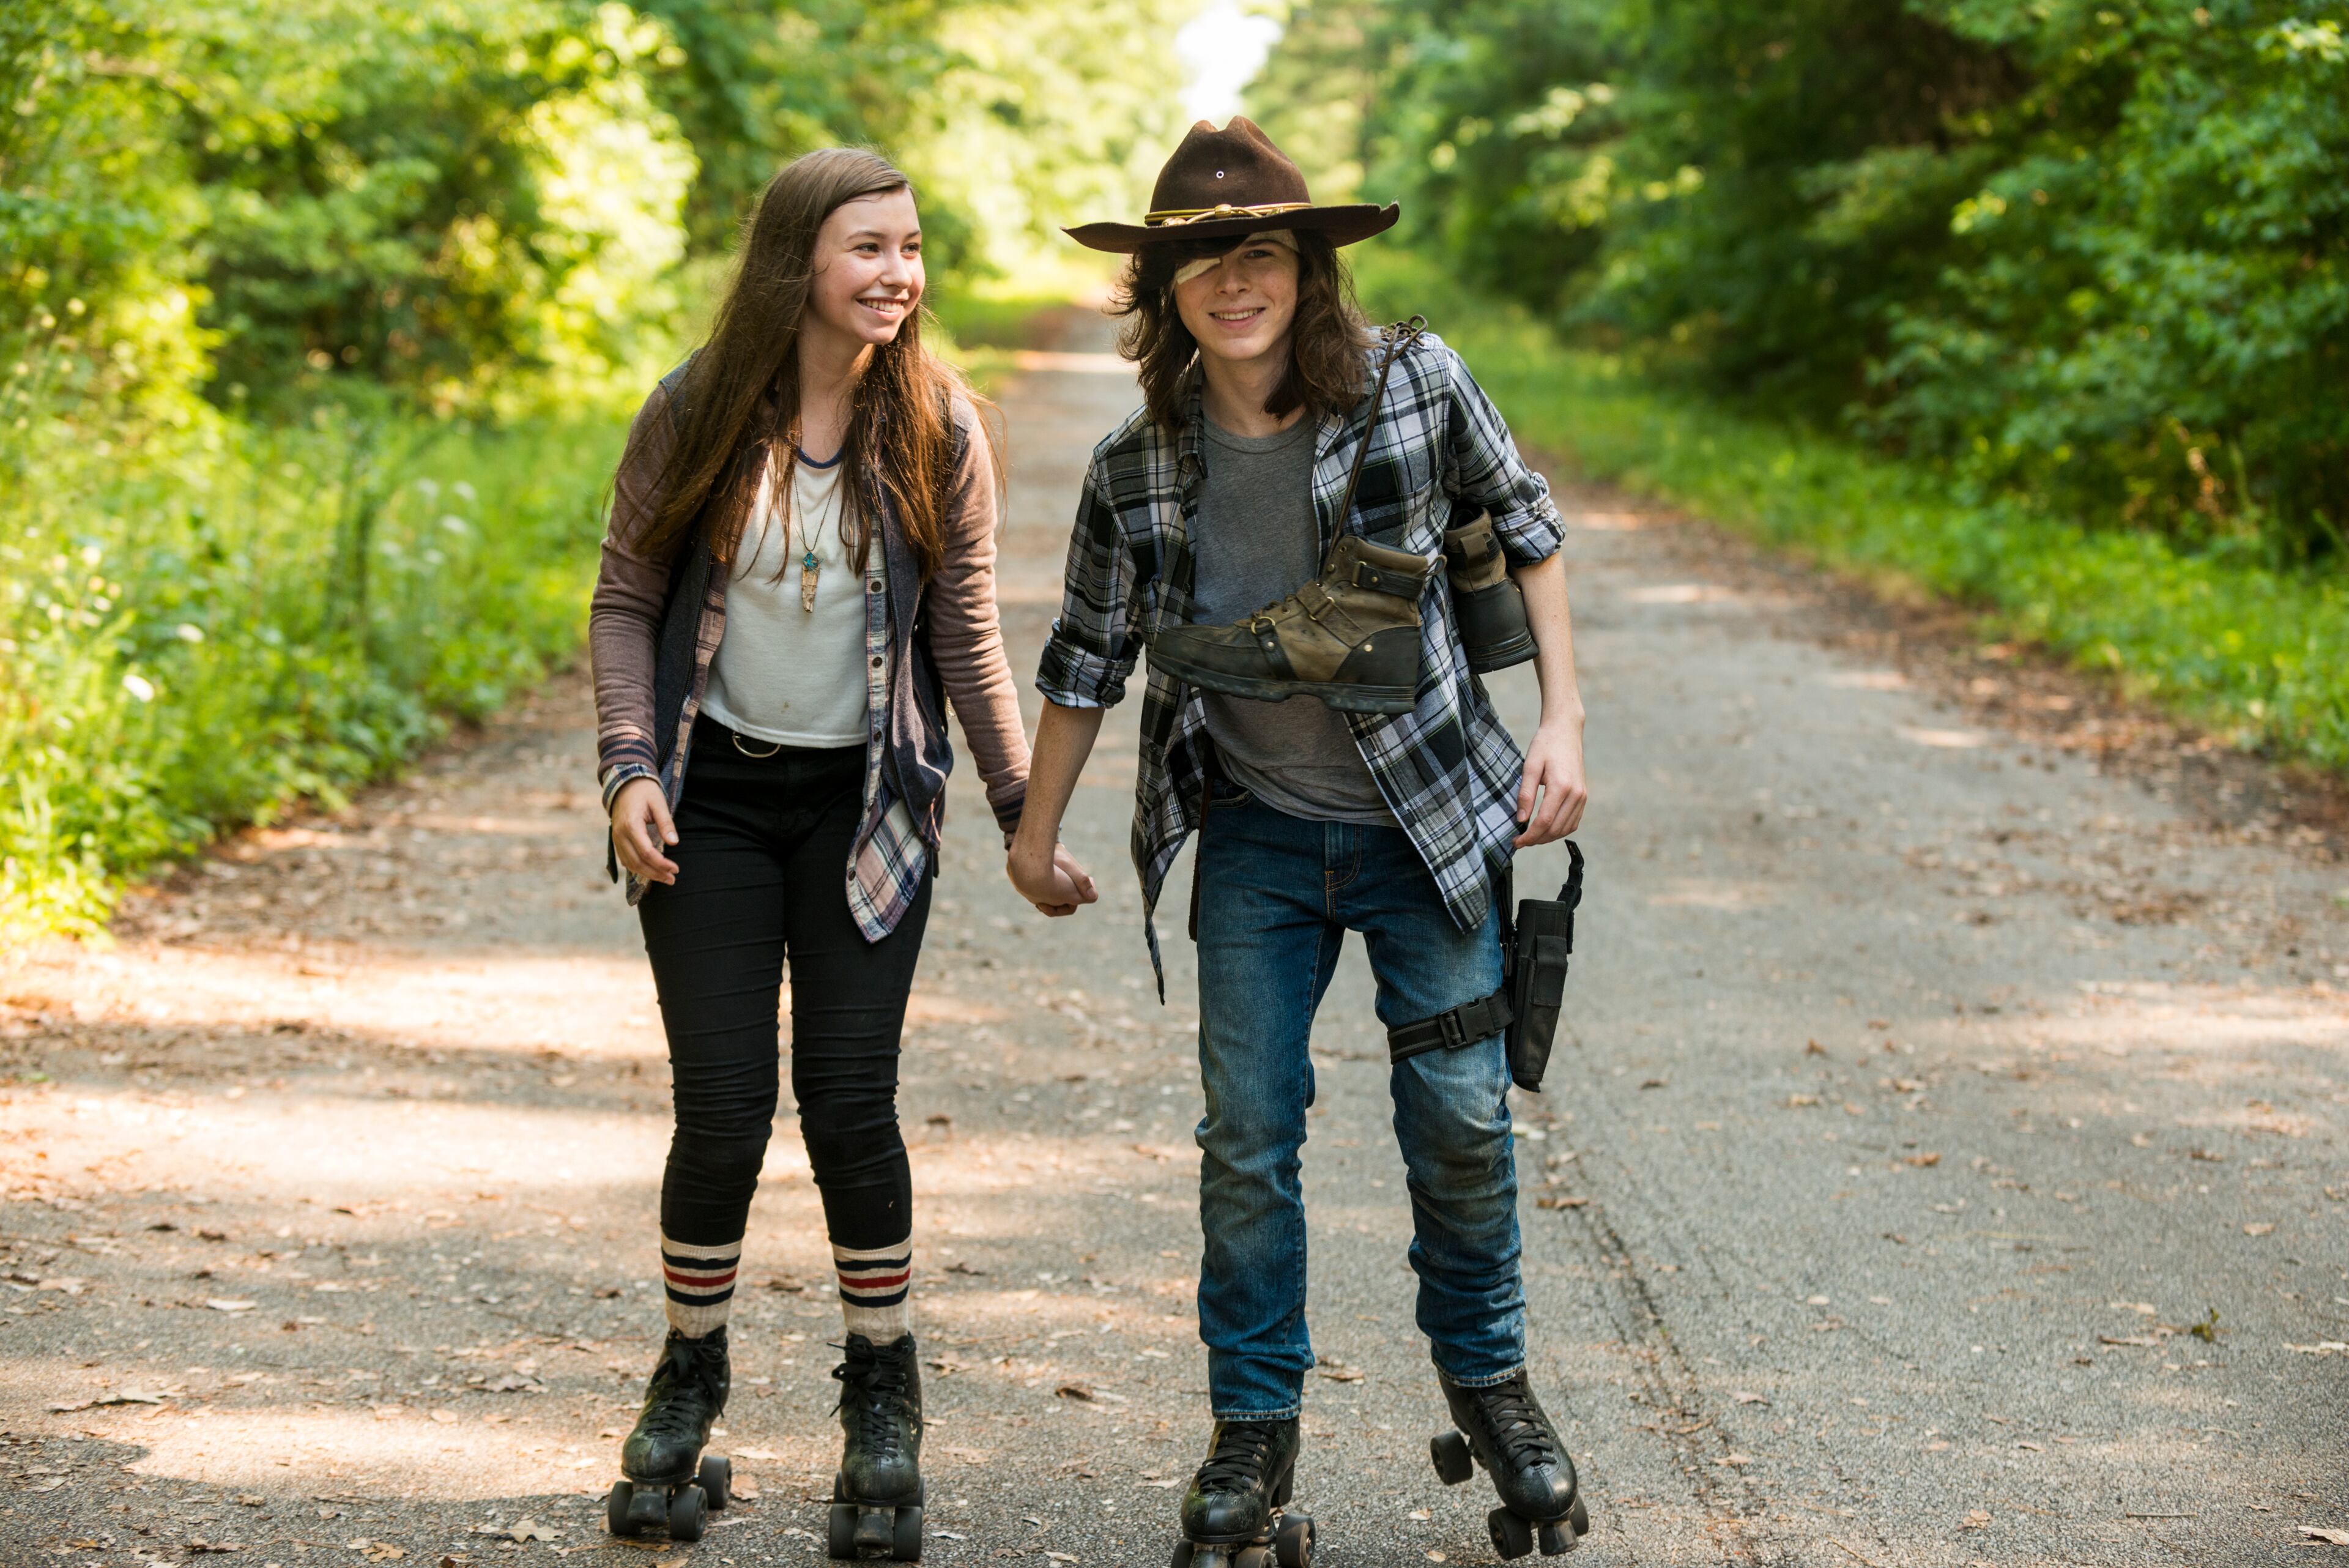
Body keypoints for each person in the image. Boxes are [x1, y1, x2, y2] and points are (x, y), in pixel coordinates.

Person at [1008, 118, 1594, 1560]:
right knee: (1247, 1139)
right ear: (1168, 293)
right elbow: (1084, 661)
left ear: (1307, 268)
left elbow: (1527, 527)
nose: (1232, 281)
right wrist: (1036, 836)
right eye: (1202, 261)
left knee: (1458, 1121)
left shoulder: (1416, 385)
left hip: (1431, 826)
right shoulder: (1135, 466)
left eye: (1258, 251)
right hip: (1258, 841)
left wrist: (1565, 722)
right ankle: (1251, 1427)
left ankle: (1492, 1380)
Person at [588, 146, 1088, 1551]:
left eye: (912, 248)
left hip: (869, 809)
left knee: (850, 1101)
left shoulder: (937, 426)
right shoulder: (695, 409)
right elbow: (626, 597)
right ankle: (690, 1377)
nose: (898, 274)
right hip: (713, 804)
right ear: (798, 257)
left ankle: (884, 1395)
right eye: (869, 247)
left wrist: (1019, 817)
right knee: (725, 1103)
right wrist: (629, 764)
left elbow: (968, 640)